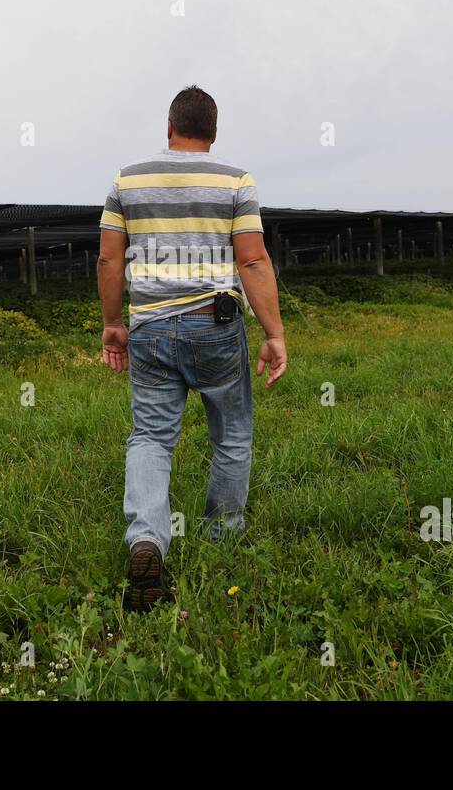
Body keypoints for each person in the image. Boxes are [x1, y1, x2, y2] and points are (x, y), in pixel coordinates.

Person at [97, 85, 288, 612]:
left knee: (152, 438)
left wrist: (113, 324)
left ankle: (146, 540)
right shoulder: (235, 181)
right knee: (231, 434)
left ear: (169, 128)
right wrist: (274, 334)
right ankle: (222, 542)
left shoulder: (127, 179)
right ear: (214, 135)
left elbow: (110, 261)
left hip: (150, 327)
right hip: (215, 325)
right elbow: (252, 261)